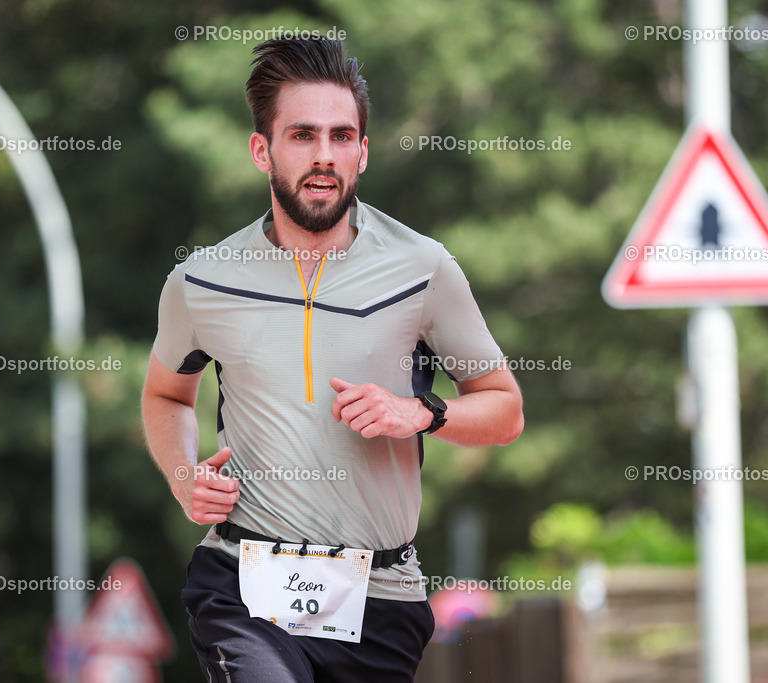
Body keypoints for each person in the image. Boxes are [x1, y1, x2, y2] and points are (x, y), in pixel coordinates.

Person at [141, 36, 523, 682]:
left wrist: (420, 413)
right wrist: (183, 475)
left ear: (363, 151)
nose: (324, 156)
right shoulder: (202, 282)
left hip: (381, 597)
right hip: (245, 584)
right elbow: (165, 396)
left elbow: (505, 408)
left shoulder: (422, 269)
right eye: (303, 136)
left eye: (342, 136)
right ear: (262, 149)